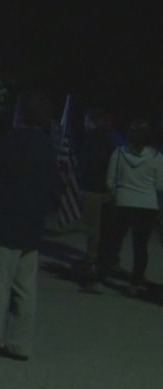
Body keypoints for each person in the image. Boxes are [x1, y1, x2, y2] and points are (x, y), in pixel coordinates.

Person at [0, 92, 57, 362]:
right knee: (24, 290)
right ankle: (19, 343)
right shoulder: (49, 148)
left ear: (19, 116)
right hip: (31, 228)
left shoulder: (6, 144)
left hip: (0, 224)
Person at [99, 119, 163, 297]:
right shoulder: (157, 157)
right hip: (147, 205)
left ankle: (100, 279)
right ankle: (135, 284)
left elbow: (110, 180)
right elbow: (160, 185)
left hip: (123, 202)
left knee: (112, 243)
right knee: (140, 246)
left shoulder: (119, 153)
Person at [76, 108, 118, 287]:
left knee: (93, 229)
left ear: (93, 123)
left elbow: (85, 166)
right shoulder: (110, 143)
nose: (84, 124)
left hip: (92, 190)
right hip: (107, 191)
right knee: (105, 228)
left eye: (86, 120)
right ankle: (106, 260)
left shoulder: (90, 142)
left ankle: (91, 262)